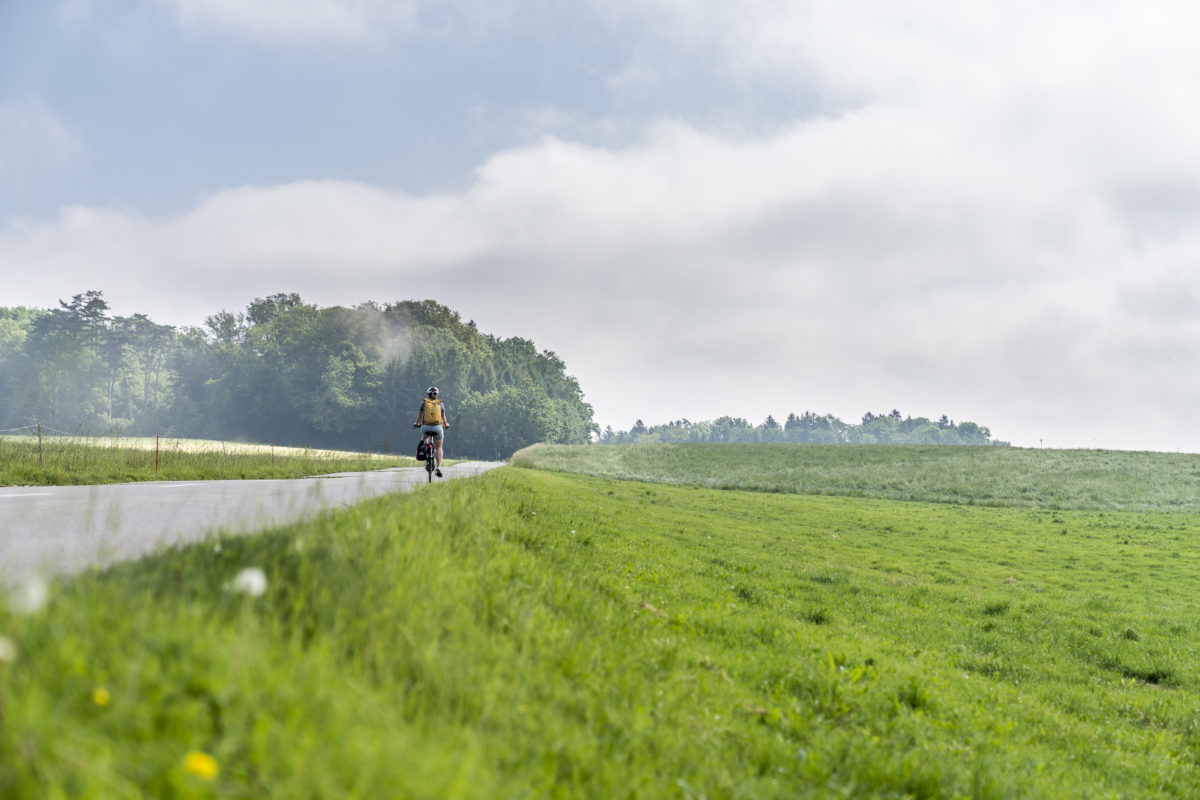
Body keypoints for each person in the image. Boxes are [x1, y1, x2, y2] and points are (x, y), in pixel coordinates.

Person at [413, 385, 449, 477]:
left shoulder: (424, 403)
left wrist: (417, 423)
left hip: (426, 427)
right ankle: (439, 467)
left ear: (428, 395)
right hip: (438, 428)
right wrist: (446, 424)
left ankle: (426, 450)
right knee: (439, 447)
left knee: (424, 437)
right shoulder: (440, 404)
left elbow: (419, 416)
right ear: (437, 395)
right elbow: (443, 417)